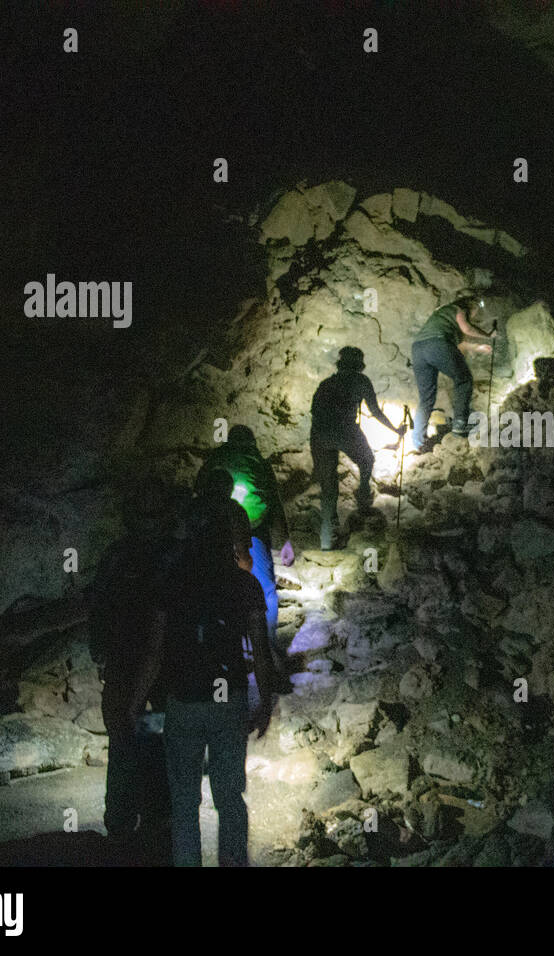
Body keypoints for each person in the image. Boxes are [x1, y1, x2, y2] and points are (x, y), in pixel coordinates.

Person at [131, 513, 277, 867]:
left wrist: (135, 703)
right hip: (229, 700)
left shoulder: (172, 584)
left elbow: (154, 652)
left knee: (183, 804)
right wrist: (266, 702)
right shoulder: (246, 586)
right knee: (229, 798)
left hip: (184, 699)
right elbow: (260, 650)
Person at [89, 476, 177, 864]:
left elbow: (99, 607)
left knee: (130, 746)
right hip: (147, 673)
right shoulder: (169, 556)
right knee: (143, 745)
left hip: (143, 672)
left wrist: (100, 653)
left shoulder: (119, 557)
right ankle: (144, 826)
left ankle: (130, 826)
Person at [195, 425, 292, 649]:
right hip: (252, 529)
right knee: (266, 589)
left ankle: (223, 643)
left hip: (216, 532)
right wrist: (286, 542)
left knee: (215, 588)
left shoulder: (216, 458)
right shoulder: (258, 461)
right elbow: (274, 502)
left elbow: (198, 489)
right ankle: (266, 645)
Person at [310, 346, 405, 550]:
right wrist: (396, 430)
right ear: (359, 366)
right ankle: (363, 497)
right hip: (345, 429)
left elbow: (315, 410)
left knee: (328, 489)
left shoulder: (327, 383)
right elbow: (376, 411)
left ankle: (326, 542)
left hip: (319, 433)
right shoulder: (361, 381)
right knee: (367, 460)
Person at [410, 296, 494, 453]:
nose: (476, 313)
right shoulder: (458, 309)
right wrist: (489, 335)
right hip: (437, 344)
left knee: (426, 398)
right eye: (476, 308)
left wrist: (478, 348)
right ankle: (460, 424)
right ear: (471, 305)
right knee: (464, 380)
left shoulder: (442, 316)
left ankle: (418, 442)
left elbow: (460, 344)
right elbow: (467, 329)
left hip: (418, 349)